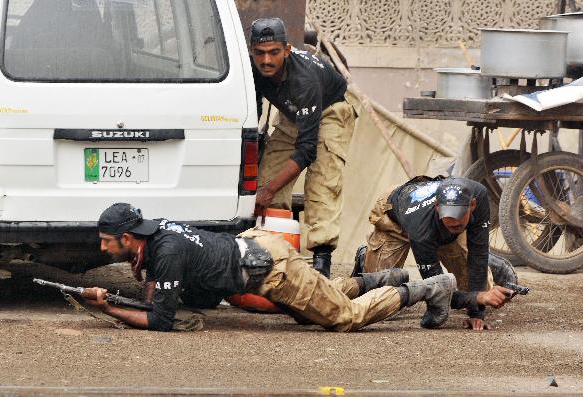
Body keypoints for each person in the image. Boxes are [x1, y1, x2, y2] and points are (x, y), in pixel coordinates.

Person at [85, 203, 459, 332]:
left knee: (345, 318)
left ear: (130, 236)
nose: (102, 247)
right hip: (258, 246)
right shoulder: (159, 236)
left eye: (107, 239)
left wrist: (107, 307)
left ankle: (430, 288)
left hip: (272, 269)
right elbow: (157, 300)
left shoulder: (166, 254)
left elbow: (161, 320)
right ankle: (379, 279)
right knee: (309, 310)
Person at [250, 18, 357, 278]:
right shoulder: (250, 69)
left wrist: (268, 190)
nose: (266, 60)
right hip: (293, 112)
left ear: (286, 51)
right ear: (251, 52)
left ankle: (322, 261)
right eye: (260, 53)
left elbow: (307, 150)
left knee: (323, 180)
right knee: (267, 178)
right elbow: (253, 112)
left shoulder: (304, 80)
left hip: (330, 110)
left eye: (274, 52)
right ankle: (272, 251)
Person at [352, 177, 514, 331]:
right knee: (379, 300)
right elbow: (437, 290)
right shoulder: (421, 232)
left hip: (432, 224)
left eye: (459, 218)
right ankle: (365, 257)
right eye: (449, 218)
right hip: (394, 213)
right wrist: (477, 298)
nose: (454, 222)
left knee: (482, 289)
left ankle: (490, 263)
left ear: (472, 205)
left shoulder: (478, 193)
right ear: (437, 207)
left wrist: (476, 313)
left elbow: (477, 252)